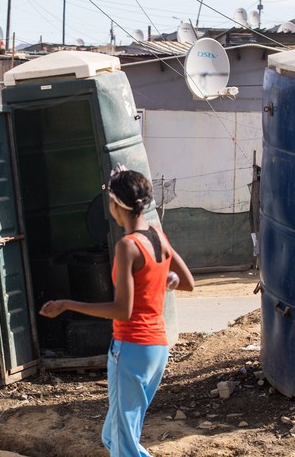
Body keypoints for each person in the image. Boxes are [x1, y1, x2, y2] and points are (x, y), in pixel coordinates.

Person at [39, 166, 194, 456]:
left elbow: (123, 310)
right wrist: (160, 282)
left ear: (114, 205)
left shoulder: (127, 246)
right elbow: (186, 282)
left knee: (123, 444)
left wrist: (67, 304)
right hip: (157, 350)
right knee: (115, 436)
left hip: (131, 348)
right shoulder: (157, 237)